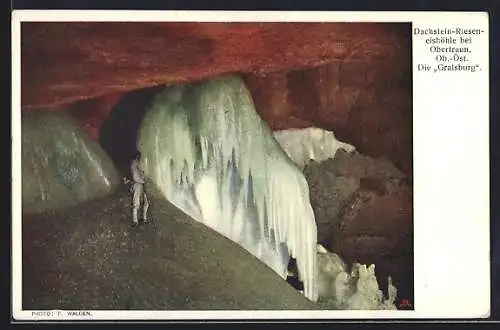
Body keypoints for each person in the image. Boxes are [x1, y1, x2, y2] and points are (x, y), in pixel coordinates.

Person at [129, 150, 150, 226]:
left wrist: (144, 179)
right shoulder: (134, 164)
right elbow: (135, 177)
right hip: (137, 185)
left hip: (142, 184)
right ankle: (135, 221)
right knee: (136, 203)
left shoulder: (138, 164)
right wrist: (142, 181)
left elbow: (142, 174)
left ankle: (144, 218)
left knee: (146, 202)